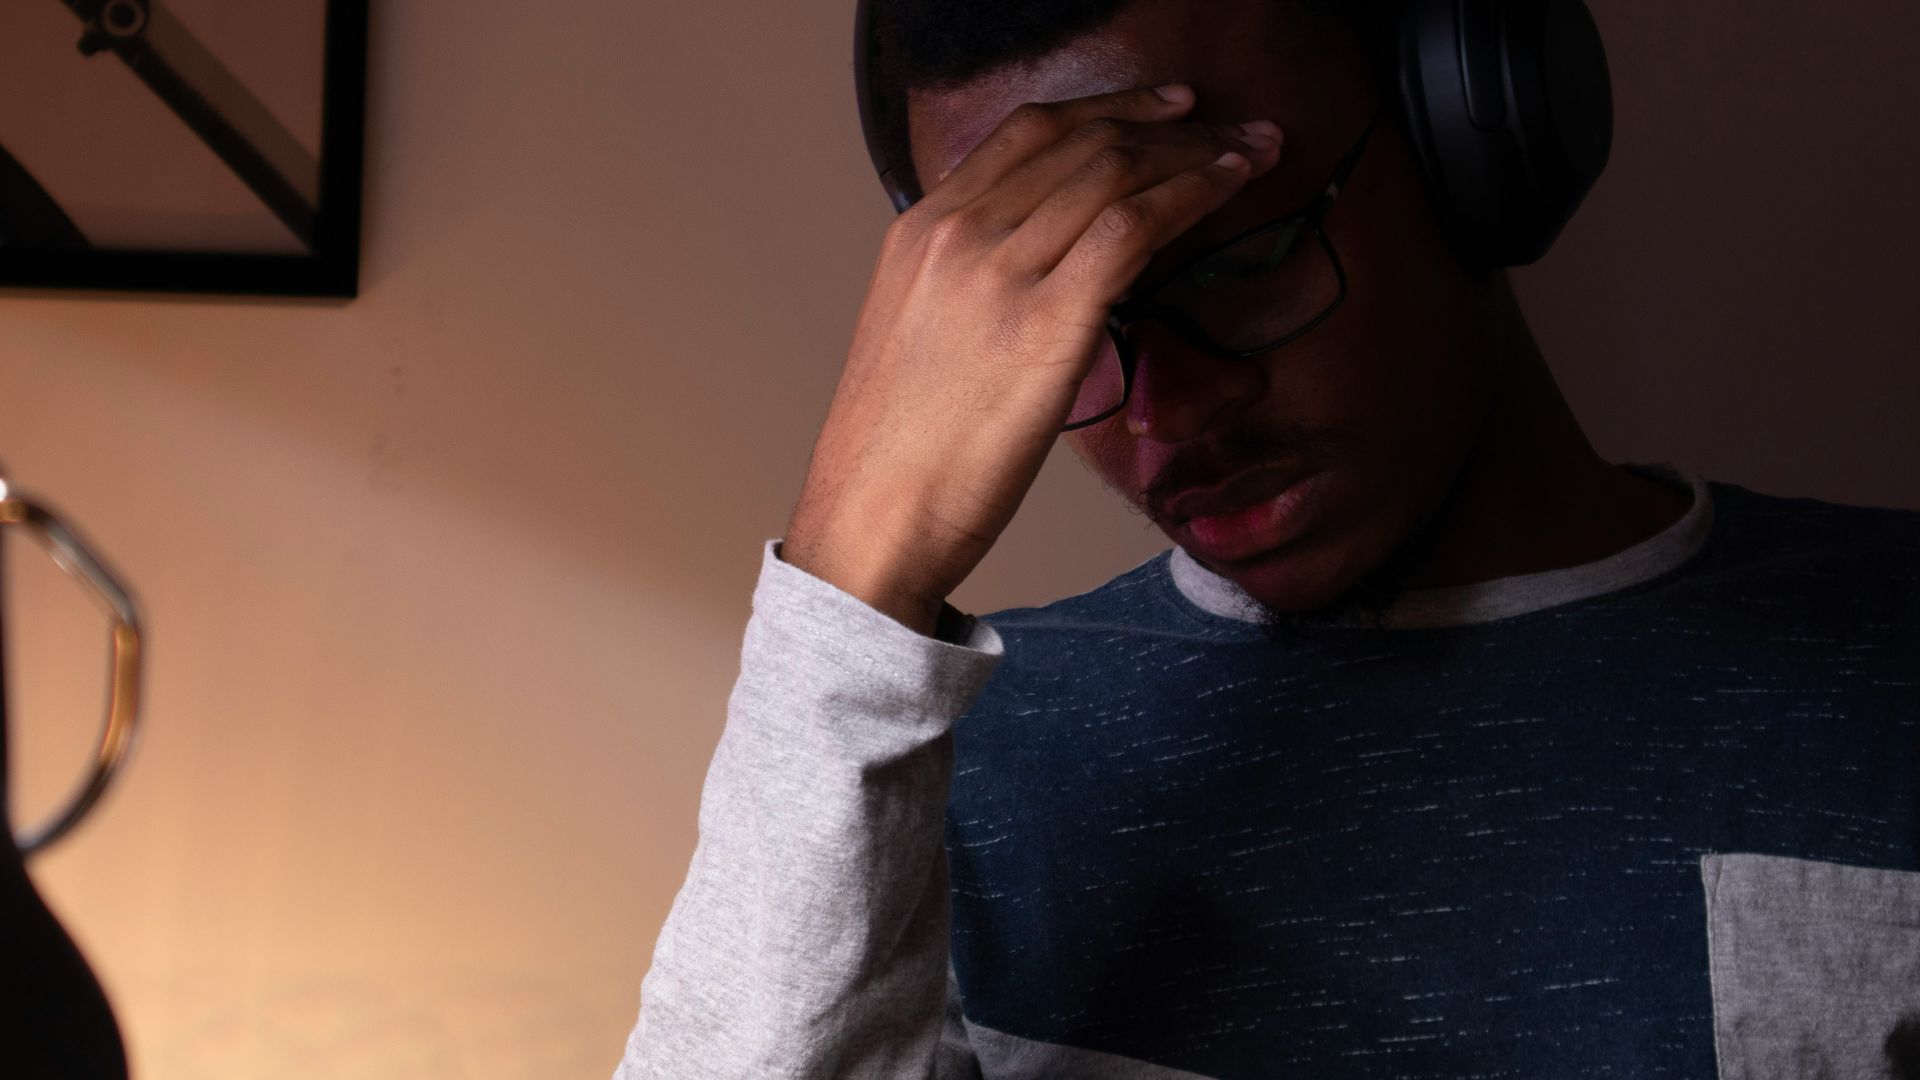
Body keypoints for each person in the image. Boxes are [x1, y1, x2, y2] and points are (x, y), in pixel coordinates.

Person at [615, 0, 1920, 1076]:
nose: (1172, 415)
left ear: (1475, 145)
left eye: (1238, 264)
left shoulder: (1886, 665)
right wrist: (852, 587)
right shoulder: (922, 774)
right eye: (1066, 329)